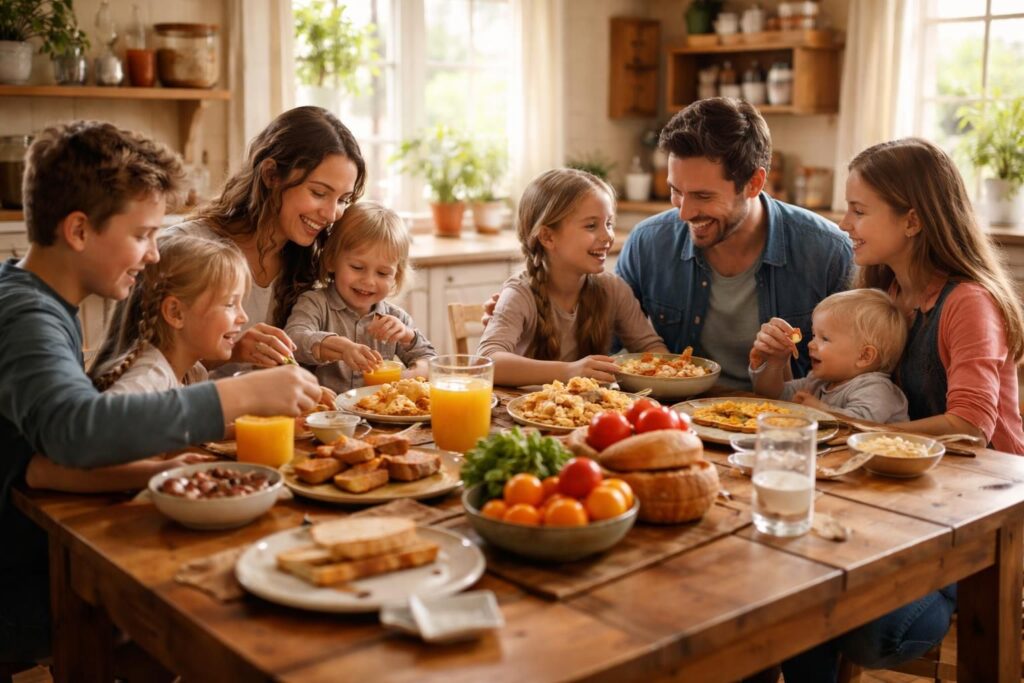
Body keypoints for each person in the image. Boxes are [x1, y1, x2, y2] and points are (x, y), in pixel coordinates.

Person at [0, 121, 321, 664]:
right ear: (78, 231)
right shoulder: (28, 316)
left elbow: (31, 457)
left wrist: (161, 472)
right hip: (26, 591)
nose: (152, 255)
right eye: (142, 234)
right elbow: (76, 431)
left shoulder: (38, 302)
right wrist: (239, 399)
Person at [781, 137, 1024, 681]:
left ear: (912, 220)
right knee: (791, 588)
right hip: (912, 498)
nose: (844, 222)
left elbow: (970, 427)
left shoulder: (969, 303)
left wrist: (849, 431)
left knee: (868, 629)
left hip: (982, 516)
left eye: (859, 210)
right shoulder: (887, 295)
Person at [615, 97, 854, 389]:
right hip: (677, 415)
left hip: (785, 423)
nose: (685, 212)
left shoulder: (829, 252)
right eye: (676, 191)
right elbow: (611, 350)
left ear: (754, 183)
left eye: (704, 196)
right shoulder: (647, 243)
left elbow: (857, 378)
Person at [169, 105, 366, 373]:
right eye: (319, 193)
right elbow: (141, 368)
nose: (332, 214)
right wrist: (234, 351)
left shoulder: (307, 264)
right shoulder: (182, 249)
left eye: (342, 199)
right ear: (271, 175)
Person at [476, 168, 667, 386]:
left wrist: (672, 372)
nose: (607, 236)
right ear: (548, 236)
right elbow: (488, 362)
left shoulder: (613, 289)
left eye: (609, 224)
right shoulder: (520, 294)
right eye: (591, 226)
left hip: (592, 414)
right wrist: (569, 371)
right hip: (527, 413)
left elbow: (651, 349)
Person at [284, 201, 436, 392]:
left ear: (396, 276)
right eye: (357, 267)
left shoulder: (396, 320)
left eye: (382, 273)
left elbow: (432, 361)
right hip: (326, 416)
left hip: (378, 418)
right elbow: (293, 339)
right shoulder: (315, 304)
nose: (369, 281)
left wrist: (407, 340)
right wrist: (341, 348)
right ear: (331, 260)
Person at [749, 289, 909, 423]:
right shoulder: (819, 381)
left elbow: (863, 425)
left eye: (824, 338)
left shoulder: (876, 389)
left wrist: (821, 411)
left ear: (864, 356)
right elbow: (775, 396)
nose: (810, 344)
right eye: (813, 335)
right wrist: (774, 364)